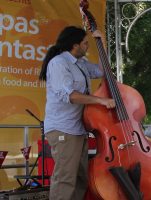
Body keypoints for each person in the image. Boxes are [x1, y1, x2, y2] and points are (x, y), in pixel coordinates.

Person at [39, 26, 115, 200]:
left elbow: (102, 71)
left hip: (78, 129)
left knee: (81, 178)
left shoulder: (80, 63)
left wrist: (102, 44)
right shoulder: (59, 63)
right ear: (75, 45)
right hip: (63, 129)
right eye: (85, 43)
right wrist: (100, 100)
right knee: (65, 178)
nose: (88, 46)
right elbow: (71, 96)